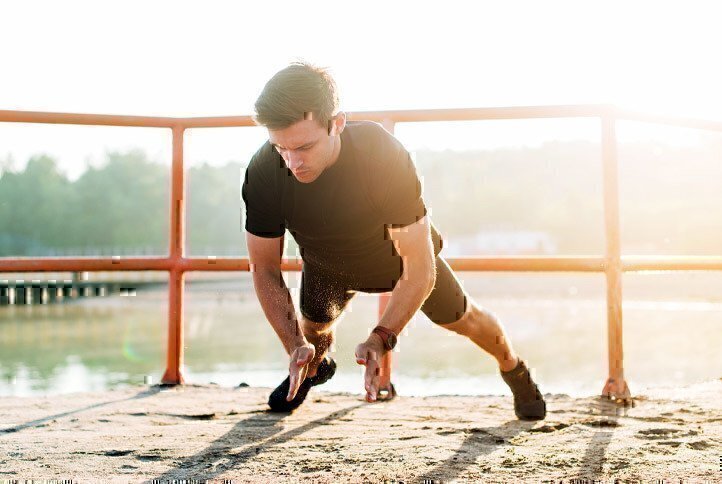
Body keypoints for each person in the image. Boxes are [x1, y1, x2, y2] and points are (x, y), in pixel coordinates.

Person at [242, 61, 546, 420]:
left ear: (337, 123)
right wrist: (294, 344)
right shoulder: (264, 170)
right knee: (314, 332)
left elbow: (419, 268)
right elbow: (264, 268)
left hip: (401, 265)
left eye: (305, 147)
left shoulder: (380, 154)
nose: (293, 162)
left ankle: (514, 369)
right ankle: (311, 367)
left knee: (469, 321)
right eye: (281, 148)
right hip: (326, 265)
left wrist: (381, 337)